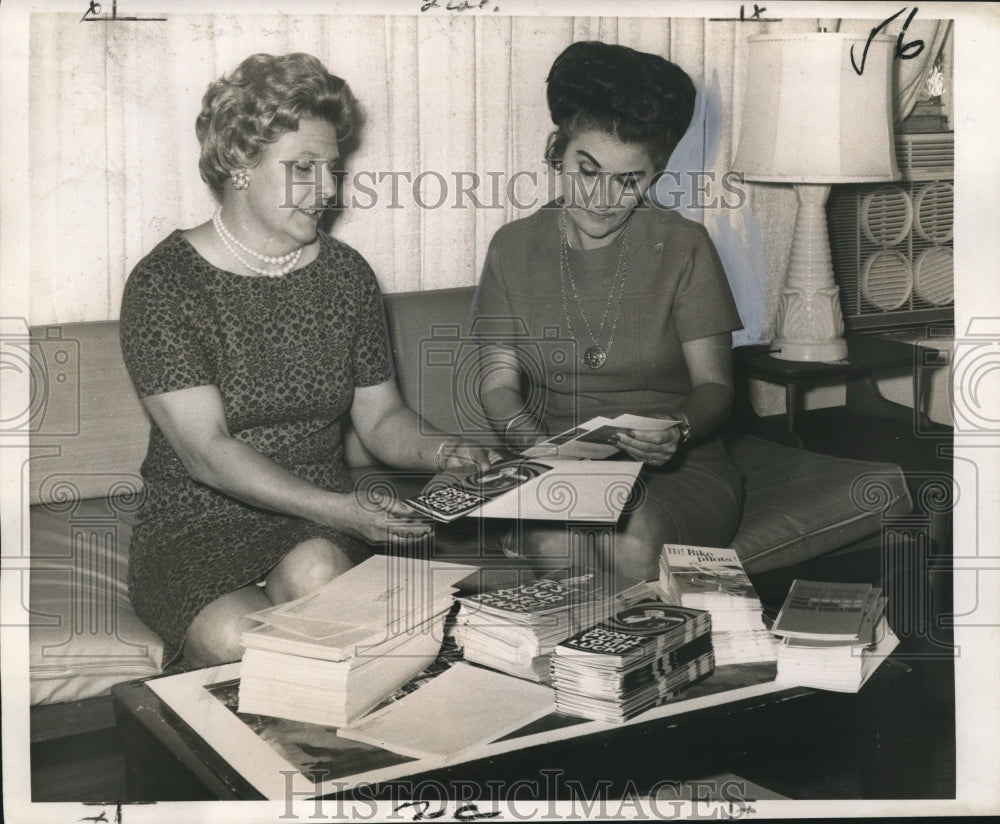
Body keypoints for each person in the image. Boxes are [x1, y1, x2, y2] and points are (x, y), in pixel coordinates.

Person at [119, 53, 494, 669]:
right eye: (303, 168)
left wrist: (443, 450)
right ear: (240, 162)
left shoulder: (345, 275)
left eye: (332, 168)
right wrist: (341, 507)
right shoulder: (166, 284)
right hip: (195, 523)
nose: (326, 190)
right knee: (237, 643)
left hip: (316, 521)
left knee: (319, 572)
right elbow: (206, 452)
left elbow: (381, 419)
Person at [470, 41, 744, 583]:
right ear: (558, 153)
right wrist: (536, 449)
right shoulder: (512, 246)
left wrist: (679, 428)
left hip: (677, 470)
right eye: (587, 169)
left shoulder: (684, 246)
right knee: (555, 532)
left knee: (630, 536)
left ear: (655, 175)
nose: (602, 197)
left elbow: (717, 386)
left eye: (629, 180)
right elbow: (497, 384)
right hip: (554, 462)